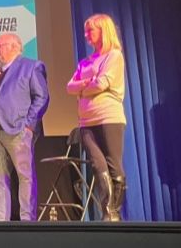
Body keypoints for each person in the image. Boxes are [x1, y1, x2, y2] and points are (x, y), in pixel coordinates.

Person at [0, 33, 49, 221]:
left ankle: (27, 219)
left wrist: (29, 125)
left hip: (18, 131)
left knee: (25, 176)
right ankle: (0, 219)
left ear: (14, 46)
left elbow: (42, 97)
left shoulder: (31, 66)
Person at [66, 13, 126, 221]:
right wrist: (86, 84)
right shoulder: (86, 62)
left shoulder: (114, 56)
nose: (86, 35)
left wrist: (82, 87)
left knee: (112, 164)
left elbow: (102, 83)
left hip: (109, 118)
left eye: (90, 30)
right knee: (97, 165)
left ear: (103, 31)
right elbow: (69, 86)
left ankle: (113, 212)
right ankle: (107, 211)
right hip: (86, 121)